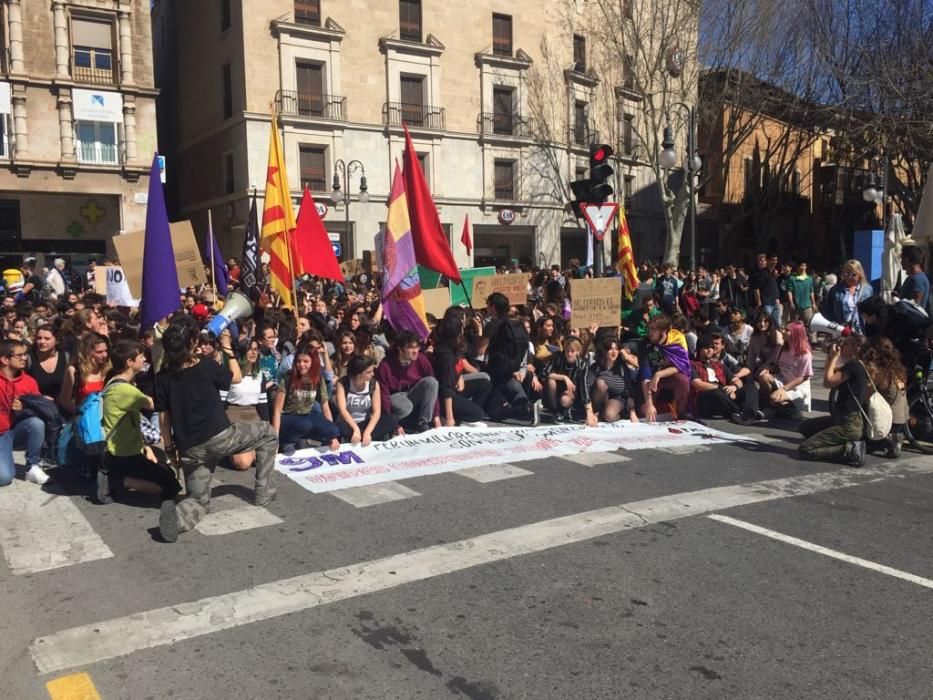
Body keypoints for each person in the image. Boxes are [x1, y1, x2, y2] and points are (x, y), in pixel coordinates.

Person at [155, 314, 278, 542]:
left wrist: (171, 449)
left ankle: (178, 518)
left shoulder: (162, 377)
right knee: (268, 433)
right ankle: (263, 492)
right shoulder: (206, 366)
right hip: (220, 438)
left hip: (189, 449)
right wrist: (227, 347)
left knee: (198, 499)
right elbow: (238, 377)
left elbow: (164, 419)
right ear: (192, 342)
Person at [99, 340, 181, 506]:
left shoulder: (115, 382)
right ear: (129, 362)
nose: (144, 359)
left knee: (166, 474)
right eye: (140, 356)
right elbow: (154, 404)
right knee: (171, 487)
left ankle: (122, 476)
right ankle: (119, 480)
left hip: (127, 450)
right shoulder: (125, 390)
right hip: (124, 455)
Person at [798, 335, 871, 466]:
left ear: (856, 348)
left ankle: (849, 450)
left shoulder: (854, 366)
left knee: (806, 449)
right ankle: (842, 442)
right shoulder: (854, 365)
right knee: (805, 427)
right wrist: (831, 356)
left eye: (847, 344)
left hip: (849, 424)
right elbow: (831, 372)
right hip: (842, 419)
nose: (842, 346)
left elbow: (828, 382)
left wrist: (835, 357)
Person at [271, 343, 341, 452]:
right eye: (298, 361)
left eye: (306, 361)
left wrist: (333, 436)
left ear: (313, 362)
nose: (301, 365)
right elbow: (277, 411)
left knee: (333, 430)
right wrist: (275, 441)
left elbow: (325, 408)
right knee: (304, 425)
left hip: (307, 416)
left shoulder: (318, 379)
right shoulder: (288, 378)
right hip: (288, 417)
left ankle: (303, 439)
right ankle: (287, 441)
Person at [0, 339, 49, 485]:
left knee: (36, 423)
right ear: (4, 359)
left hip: (13, 431)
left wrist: (25, 409)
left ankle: (33, 466)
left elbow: (40, 411)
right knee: (4, 478)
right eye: (19, 355)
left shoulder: (29, 381)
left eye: (25, 354)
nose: (25, 358)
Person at [432, 308, 491, 426]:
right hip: (444, 398)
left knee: (485, 381)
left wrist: (459, 377)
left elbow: (459, 366)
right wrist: (449, 418)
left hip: (455, 388)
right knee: (477, 414)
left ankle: (464, 410)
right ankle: (452, 415)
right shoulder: (446, 357)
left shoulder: (453, 348)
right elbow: (446, 389)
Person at [376, 330, 440, 433]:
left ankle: (423, 422)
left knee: (431, 382)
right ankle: (393, 422)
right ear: (400, 349)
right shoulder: (385, 365)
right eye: (410, 348)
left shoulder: (421, 359)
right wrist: (393, 424)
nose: (415, 351)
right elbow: (383, 395)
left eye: (416, 347)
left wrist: (436, 414)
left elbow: (433, 387)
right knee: (406, 407)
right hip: (395, 396)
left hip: (412, 392)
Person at [690, 335, 760, 425]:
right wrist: (722, 388)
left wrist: (734, 387)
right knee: (716, 393)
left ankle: (746, 414)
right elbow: (697, 384)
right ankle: (745, 412)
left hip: (725, 395)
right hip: (705, 396)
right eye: (706, 348)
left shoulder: (719, 365)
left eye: (711, 348)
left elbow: (737, 381)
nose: (710, 350)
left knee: (750, 386)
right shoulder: (692, 364)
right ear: (699, 349)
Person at [222, 339, 269, 471]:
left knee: (264, 459)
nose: (253, 352)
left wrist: (267, 429)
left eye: (256, 349)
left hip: (254, 418)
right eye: (250, 349)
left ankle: (250, 450)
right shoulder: (230, 373)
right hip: (234, 417)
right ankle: (229, 452)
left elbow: (263, 405)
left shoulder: (260, 374)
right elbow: (220, 403)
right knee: (243, 464)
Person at [634, 314, 691, 422]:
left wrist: (659, 374)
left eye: (653, 329)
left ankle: (681, 413)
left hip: (665, 378)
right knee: (644, 413)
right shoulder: (645, 344)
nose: (650, 332)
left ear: (664, 331)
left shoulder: (677, 339)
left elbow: (681, 365)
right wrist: (649, 404)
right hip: (649, 383)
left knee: (683, 380)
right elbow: (645, 374)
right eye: (649, 329)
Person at [333, 355, 398, 445]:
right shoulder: (343, 383)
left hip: (366, 422)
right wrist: (355, 429)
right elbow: (342, 409)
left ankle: (363, 437)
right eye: (369, 372)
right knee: (338, 427)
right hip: (348, 423)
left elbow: (377, 412)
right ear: (359, 373)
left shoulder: (373, 384)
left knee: (392, 419)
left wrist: (368, 432)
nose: (372, 374)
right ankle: (360, 437)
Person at [758, 320, 812, 419]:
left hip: (797, 387)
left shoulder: (805, 354)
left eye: (787, 330)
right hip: (783, 380)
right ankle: (770, 407)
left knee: (774, 398)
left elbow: (804, 377)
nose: (783, 331)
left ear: (795, 334)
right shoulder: (782, 349)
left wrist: (784, 389)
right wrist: (767, 368)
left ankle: (791, 408)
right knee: (763, 377)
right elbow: (775, 366)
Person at [543, 337, 597, 425]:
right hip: (554, 391)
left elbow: (584, 387)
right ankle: (555, 411)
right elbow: (544, 373)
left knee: (565, 400)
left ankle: (565, 411)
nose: (569, 354)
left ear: (578, 352)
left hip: (571, 393)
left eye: (572, 351)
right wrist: (564, 377)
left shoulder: (582, 365)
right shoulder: (558, 357)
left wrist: (589, 411)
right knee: (550, 381)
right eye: (567, 351)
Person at [589, 336, 637, 422]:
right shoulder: (596, 367)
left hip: (617, 399)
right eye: (610, 349)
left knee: (609, 416)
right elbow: (587, 387)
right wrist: (588, 411)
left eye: (616, 349)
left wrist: (632, 412)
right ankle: (597, 413)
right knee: (600, 383)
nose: (614, 352)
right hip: (599, 402)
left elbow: (629, 391)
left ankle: (619, 415)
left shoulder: (622, 367)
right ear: (604, 351)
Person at [821, 259, 873, 335]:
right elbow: (827, 310)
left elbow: (872, 310)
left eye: (853, 274)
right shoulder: (835, 290)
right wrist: (835, 326)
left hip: (862, 333)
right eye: (846, 273)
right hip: (842, 332)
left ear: (860, 274)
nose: (849, 277)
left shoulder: (867, 289)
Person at [749, 253, 781, 327]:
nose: (775, 262)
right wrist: (759, 302)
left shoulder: (773, 272)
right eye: (773, 260)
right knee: (768, 324)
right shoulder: (762, 273)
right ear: (768, 261)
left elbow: (772, 287)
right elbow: (756, 288)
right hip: (766, 303)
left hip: (775, 302)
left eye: (776, 260)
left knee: (777, 324)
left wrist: (777, 298)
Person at [786, 261, 817, 327]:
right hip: (795, 307)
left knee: (810, 327)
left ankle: (811, 337)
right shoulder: (792, 278)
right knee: (793, 327)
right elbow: (789, 291)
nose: (802, 268)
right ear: (797, 267)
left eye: (804, 266)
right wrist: (791, 303)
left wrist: (813, 303)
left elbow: (811, 292)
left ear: (806, 267)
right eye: (801, 266)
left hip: (807, 307)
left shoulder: (809, 279)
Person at [899, 245, 930, 309]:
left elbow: (915, 305)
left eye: (902, 259)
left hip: (912, 318)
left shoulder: (917, 279)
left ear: (907, 260)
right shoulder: (915, 278)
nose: (901, 262)